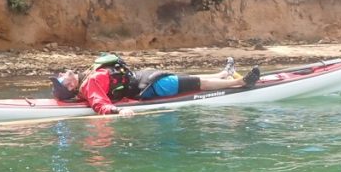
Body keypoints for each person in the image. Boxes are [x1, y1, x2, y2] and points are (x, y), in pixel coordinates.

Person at [52, 54, 260, 116]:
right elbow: (99, 103)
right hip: (149, 87)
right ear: (71, 87)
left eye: (60, 75)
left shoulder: (88, 78)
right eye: (61, 79)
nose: (62, 74)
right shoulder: (90, 84)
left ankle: (224, 75)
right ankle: (240, 83)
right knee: (197, 83)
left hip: (146, 78)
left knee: (189, 79)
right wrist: (117, 112)